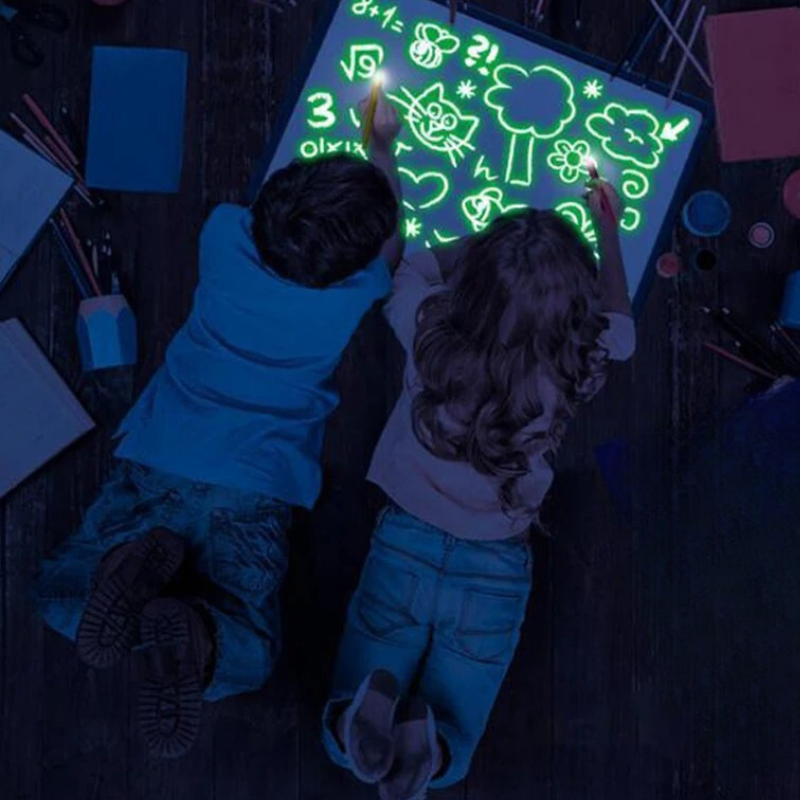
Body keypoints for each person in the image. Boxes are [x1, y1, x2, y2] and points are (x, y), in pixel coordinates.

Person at [36, 92, 404, 758]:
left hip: (167, 451)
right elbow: (392, 248)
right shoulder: (361, 292)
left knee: (62, 595)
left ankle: (135, 576)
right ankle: (197, 632)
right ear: (350, 270)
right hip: (252, 487)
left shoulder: (224, 234)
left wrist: (348, 163)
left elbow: (280, 209)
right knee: (249, 654)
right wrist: (383, 147)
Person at [322, 181, 636, 799]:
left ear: (473, 279)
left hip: (405, 541)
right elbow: (622, 328)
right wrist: (608, 228)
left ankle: (357, 720)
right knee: (460, 718)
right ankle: (429, 751)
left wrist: (487, 246)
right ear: (577, 305)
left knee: (365, 660)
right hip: (495, 563)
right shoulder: (579, 359)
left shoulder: (429, 327)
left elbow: (407, 266)